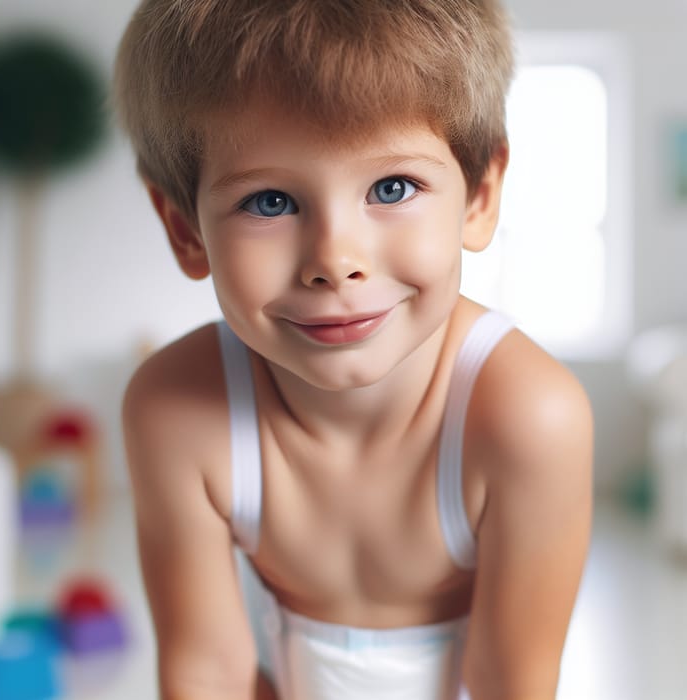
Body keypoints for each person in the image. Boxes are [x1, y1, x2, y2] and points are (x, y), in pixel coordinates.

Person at [114, 1, 594, 698]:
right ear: (186, 230)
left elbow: (510, 682)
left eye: (392, 188)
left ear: (480, 196)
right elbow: (207, 672)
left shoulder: (529, 417)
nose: (335, 262)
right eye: (270, 202)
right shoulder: (177, 412)